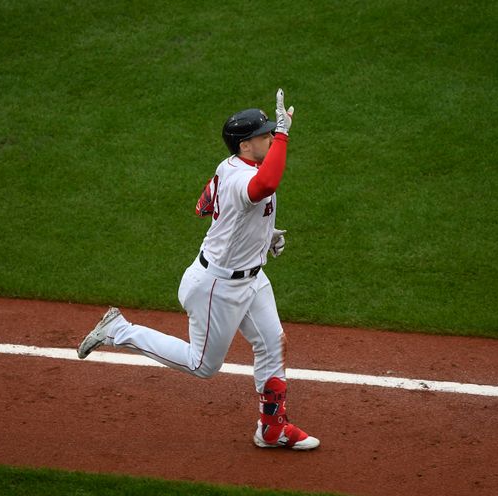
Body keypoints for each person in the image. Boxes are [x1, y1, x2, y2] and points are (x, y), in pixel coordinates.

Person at [77, 89, 319, 450]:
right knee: (203, 365)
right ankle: (120, 330)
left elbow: (218, 212)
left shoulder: (240, 168)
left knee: (272, 344)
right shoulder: (241, 176)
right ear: (244, 145)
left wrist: (263, 238)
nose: (270, 136)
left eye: (272, 132)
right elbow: (265, 185)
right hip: (217, 287)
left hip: (251, 276)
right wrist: (284, 135)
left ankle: (271, 429)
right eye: (264, 134)